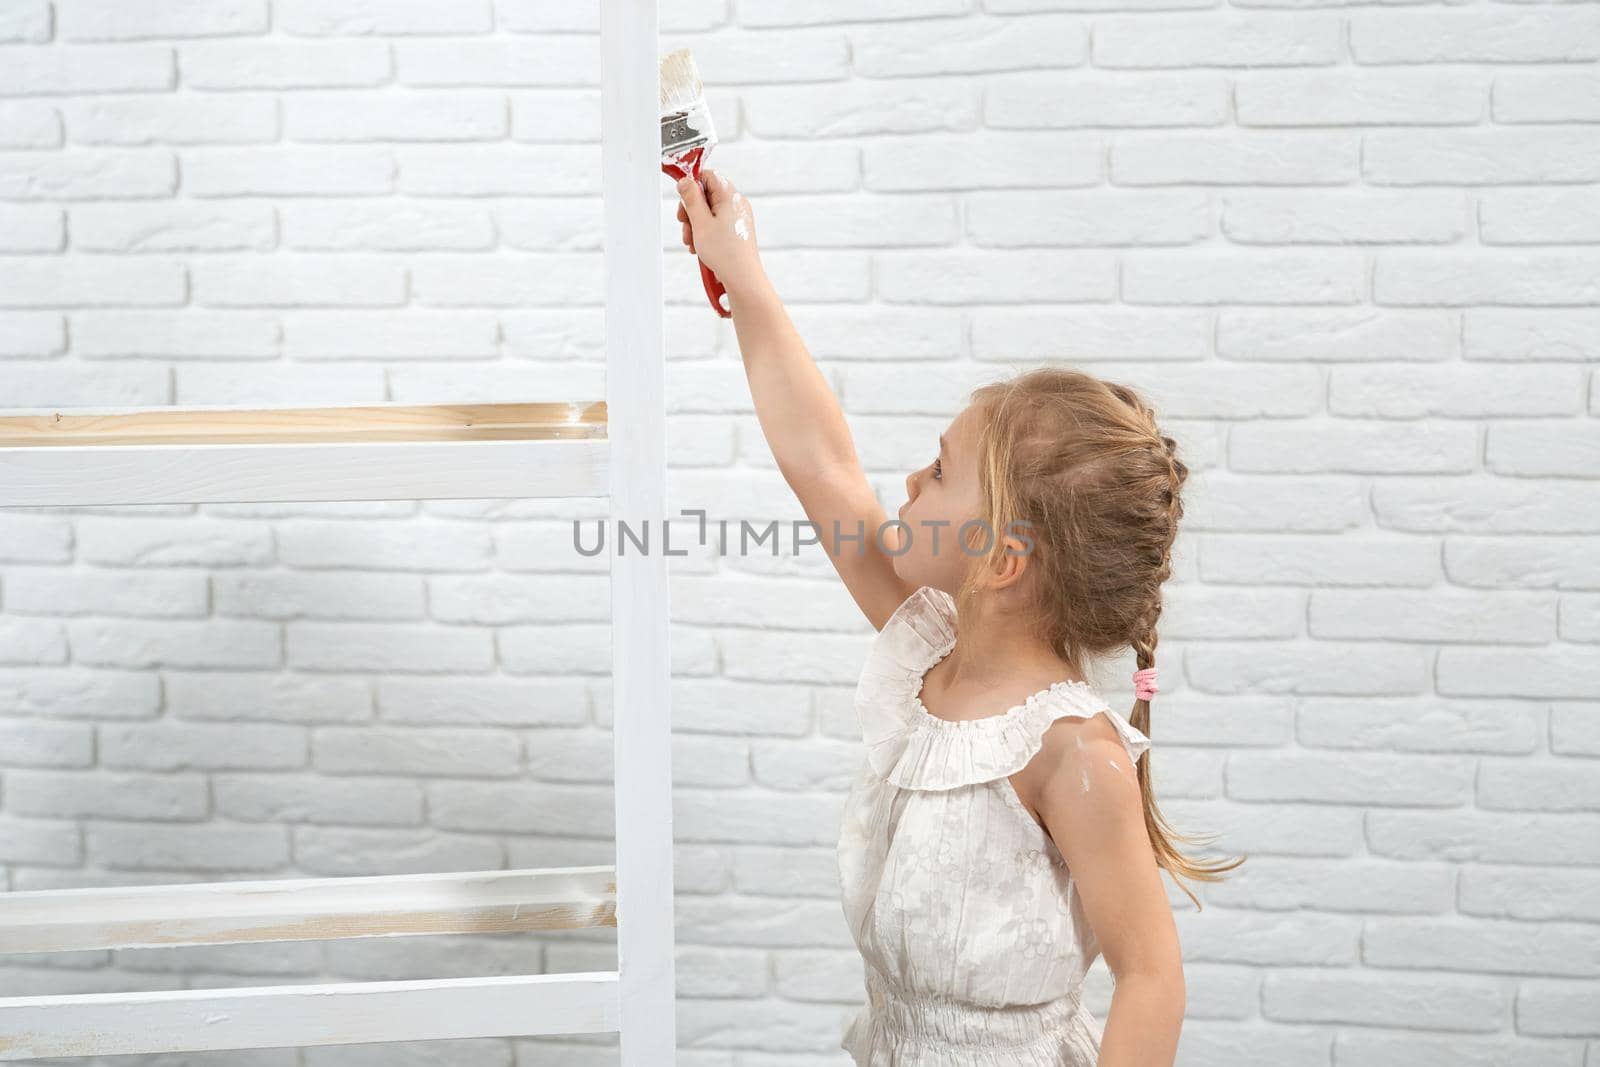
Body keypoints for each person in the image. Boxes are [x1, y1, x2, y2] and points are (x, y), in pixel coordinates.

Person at [674, 170, 1244, 1066]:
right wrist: (741, 274)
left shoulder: (1070, 751)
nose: (910, 482)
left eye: (939, 473)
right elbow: (822, 461)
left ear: (1002, 558)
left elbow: (1152, 978)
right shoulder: (928, 653)